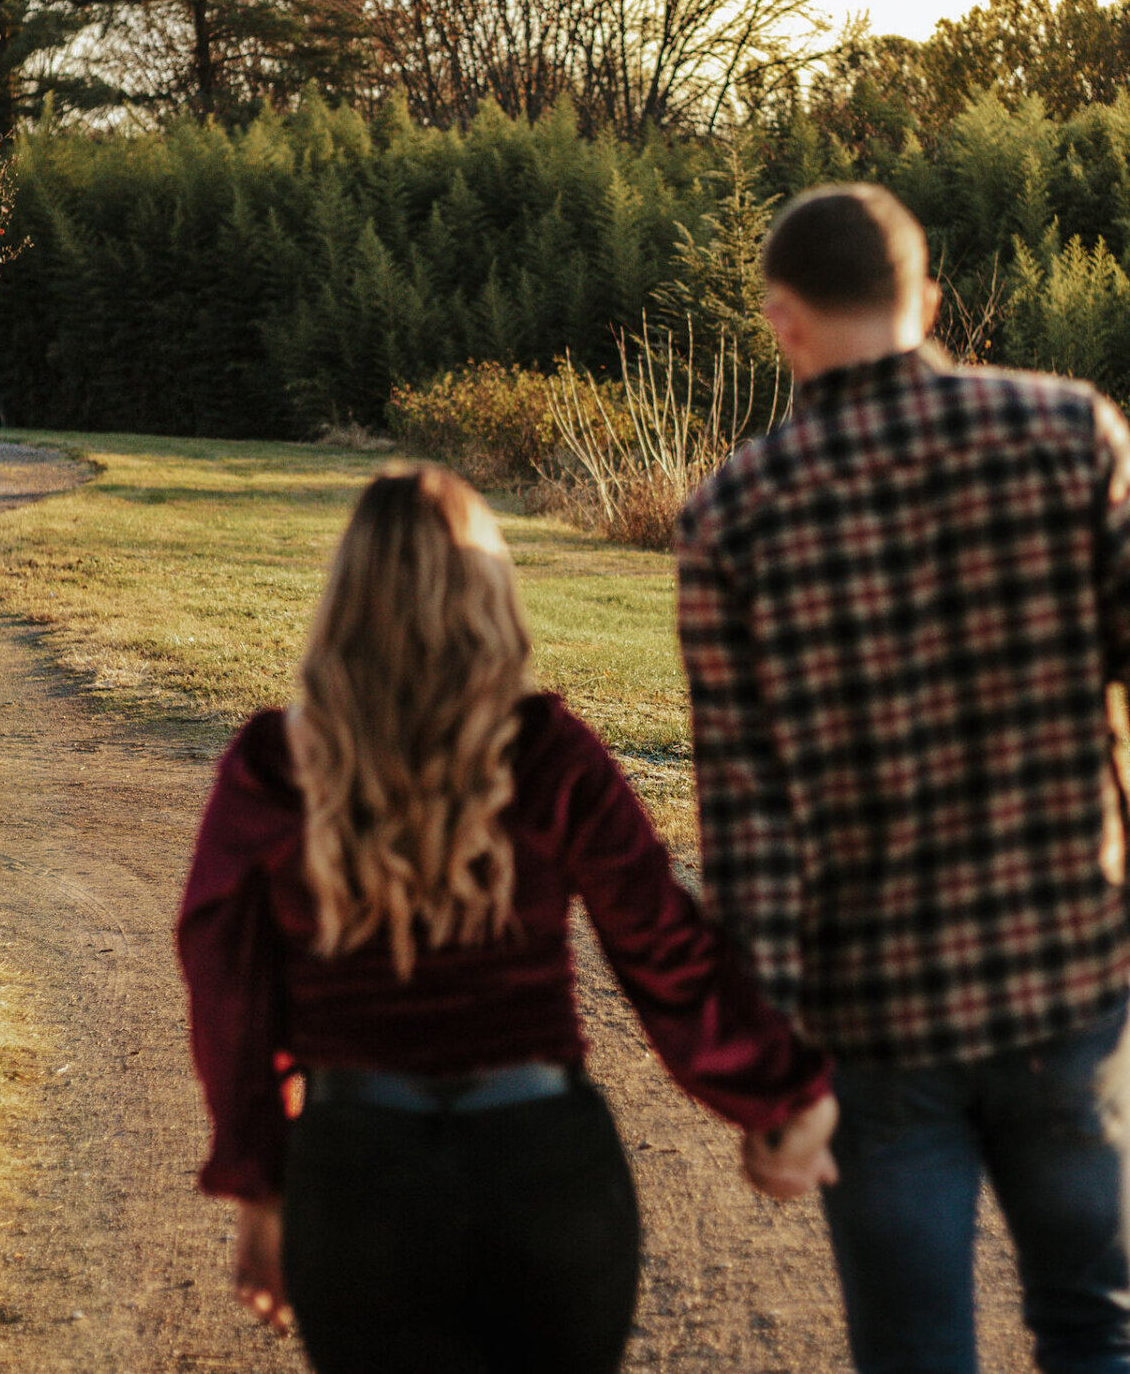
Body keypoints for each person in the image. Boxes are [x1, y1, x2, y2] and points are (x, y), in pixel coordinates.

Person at [177, 464, 837, 1374]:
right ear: (490, 593)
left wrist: (263, 1183)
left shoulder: (271, 769)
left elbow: (224, 986)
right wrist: (779, 1096)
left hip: (357, 1174)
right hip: (544, 1171)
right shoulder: (549, 756)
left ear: (344, 599)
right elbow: (663, 949)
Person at [676, 181, 1130, 1374]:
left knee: (916, 1355)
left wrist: (775, 1076)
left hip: (875, 1021)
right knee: (1097, 1331)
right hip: (1070, 982)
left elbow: (750, 826)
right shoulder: (1072, 435)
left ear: (783, 322)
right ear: (925, 297)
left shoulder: (735, 517)